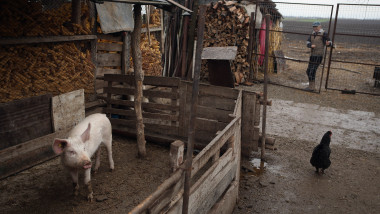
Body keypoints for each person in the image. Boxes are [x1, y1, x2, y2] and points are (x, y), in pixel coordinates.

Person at [305, 21, 332, 91]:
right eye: (314, 27)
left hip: (319, 55)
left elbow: (329, 42)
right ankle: (311, 86)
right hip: (312, 55)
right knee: (308, 71)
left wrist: (328, 43)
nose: (315, 28)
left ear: (320, 27)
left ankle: (312, 88)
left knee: (312, 71)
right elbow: (308, 42)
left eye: (316, 27)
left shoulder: (324, 33)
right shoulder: (312, 33)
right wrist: (310, 45)